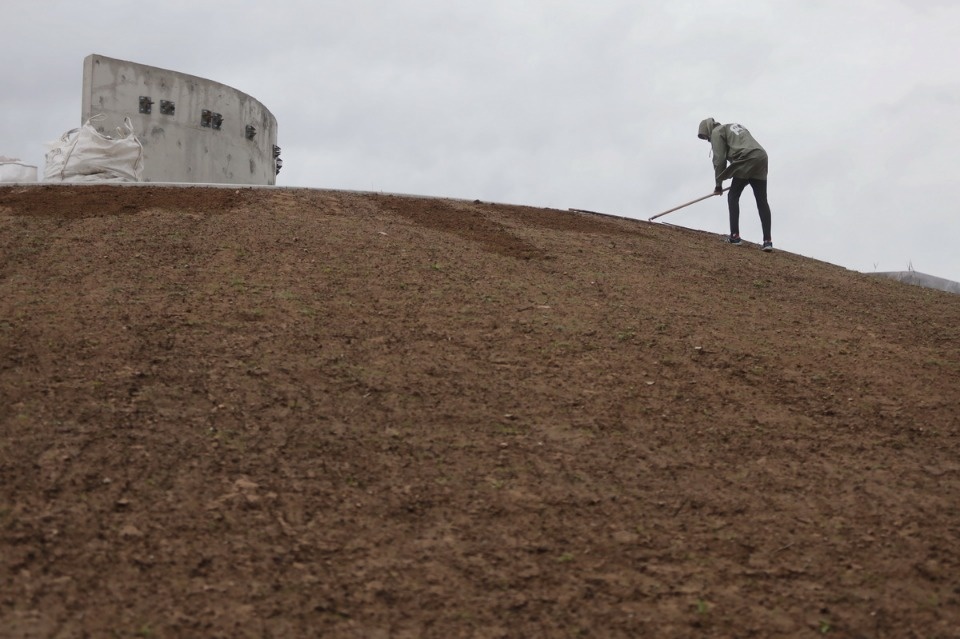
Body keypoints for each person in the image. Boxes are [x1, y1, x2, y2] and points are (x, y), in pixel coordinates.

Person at [697, 118, 773, 251]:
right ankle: (768, 241)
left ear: (708, 129)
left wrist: (718, 185)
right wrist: (747, 177)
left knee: (733, 195)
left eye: (705, 136)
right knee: (762, 200)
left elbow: (719, 159)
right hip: (761, 157)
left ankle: (734, 236)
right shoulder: (732, 127)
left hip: (746, 158)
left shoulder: (716, 132)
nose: (707, 139)